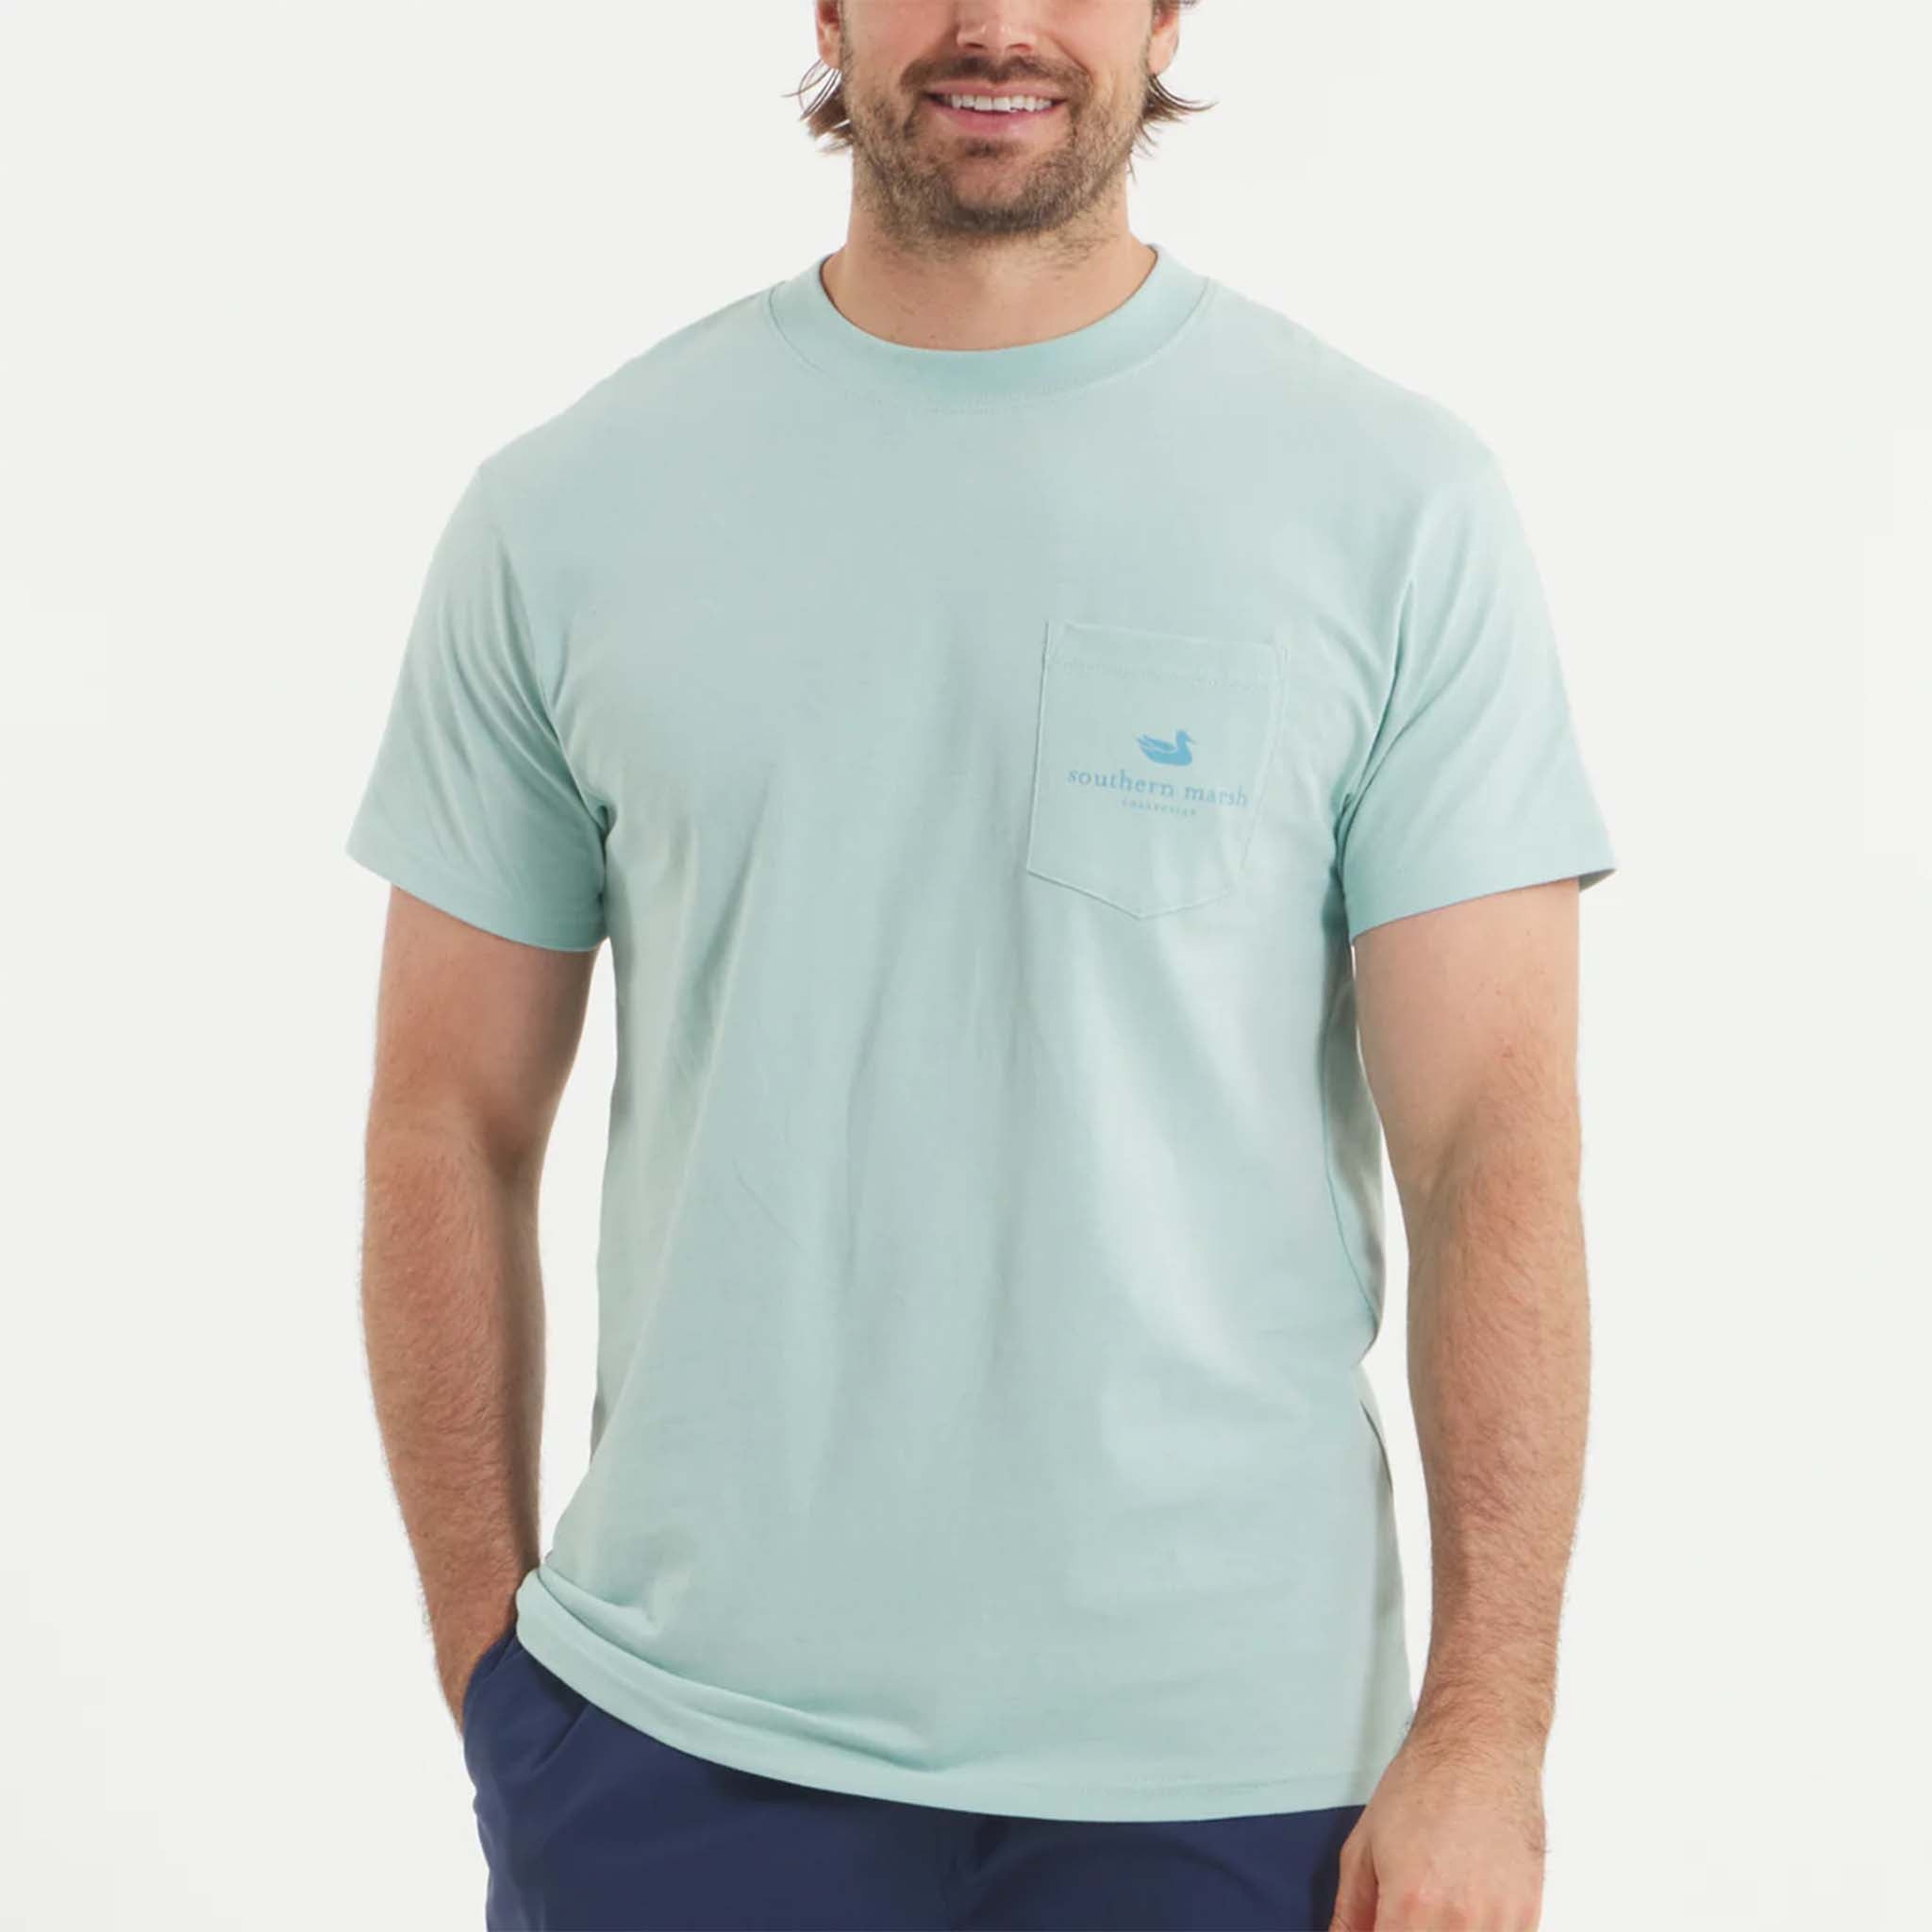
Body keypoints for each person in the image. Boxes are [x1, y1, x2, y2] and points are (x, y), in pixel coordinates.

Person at [345, 4, 1616, 1926]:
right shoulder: (572, 509)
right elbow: (446, 1115)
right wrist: (497, 1692)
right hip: (670, 1750)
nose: (995, 24)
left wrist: (1488, 1733)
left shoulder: (1393, 506)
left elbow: (1489, 1149)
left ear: (1167, 12)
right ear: (829, 12)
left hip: (1232, 1778)